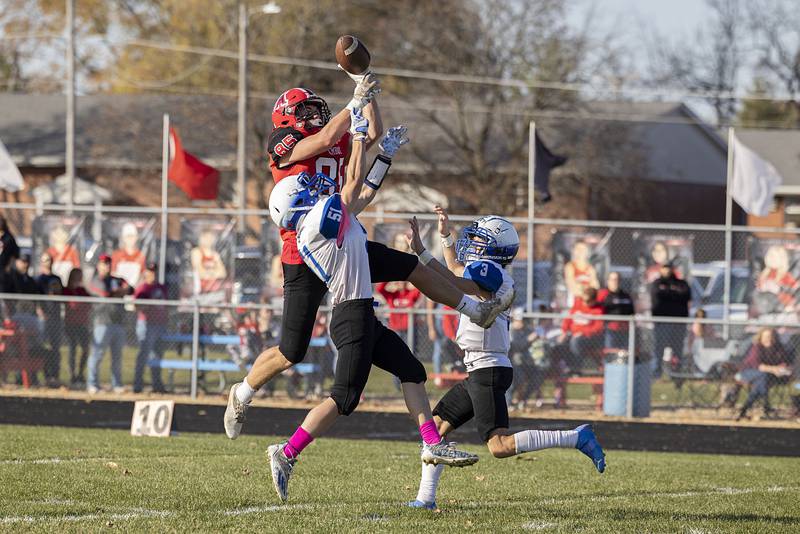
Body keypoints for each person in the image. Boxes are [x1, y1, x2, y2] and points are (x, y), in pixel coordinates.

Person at [224, 81, 508, 439]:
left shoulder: (333, 135)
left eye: (315, 109)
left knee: (411, 267)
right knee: (291, 350)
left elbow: (370, 132)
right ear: (285, 117)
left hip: (343, 240)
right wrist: (354, 102)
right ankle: (244, 391)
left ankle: (473, 309)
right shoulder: (283, 142)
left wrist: (365, 87)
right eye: (304, 111)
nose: (312, 115)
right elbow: (329, 139)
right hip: (304, 249)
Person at [264, 113, 481, 503]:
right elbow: (349, 189)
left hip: (359, 313)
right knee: (344, 399)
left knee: (411, 369)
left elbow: (362, 194)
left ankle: (431, 442)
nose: (312, 186)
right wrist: (361, 138)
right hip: (351, 317)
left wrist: (386, 156)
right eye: (304, 188)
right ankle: (287, 451)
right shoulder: (316, 225)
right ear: (297, 205)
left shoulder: (323, 218)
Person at [404, 206, 605, 510]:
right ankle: (425, 499)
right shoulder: (489, 271)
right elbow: (456, 270)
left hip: (489, 369)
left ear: (495, 248)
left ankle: (576, 438)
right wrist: (443, 237)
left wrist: (421, 256)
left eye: (479, 239)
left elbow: (451, 281)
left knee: (498, 446)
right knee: (436, 427)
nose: (473, 243)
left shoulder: (492, 273)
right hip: (481, 369)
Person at [86, 254, 133, 394]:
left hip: (118, 322)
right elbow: (105, 293)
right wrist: (120, 292)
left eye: (107, 263)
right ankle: (92, 384)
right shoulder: (95, 280)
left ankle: (116, 384)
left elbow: (130, 289)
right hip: (102, 322)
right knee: (97, 354)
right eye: (103, 263)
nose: (105, 266)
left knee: (117, 356)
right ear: (98, 265)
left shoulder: (116, 279)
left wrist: (118, 292)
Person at [736, 328, 793, 420]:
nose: (769, 339)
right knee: (763, 376)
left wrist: (782, 369)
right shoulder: (757, 347)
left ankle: (745, 409)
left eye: (771, 336)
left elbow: (784, 362)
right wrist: (774, 369)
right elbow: (759, 366)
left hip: (766, 376)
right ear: (760, 337)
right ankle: (766, 406)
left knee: (761, 381)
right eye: (766, 337)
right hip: (748, 372)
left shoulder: (778, 348)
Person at [650, 259, 691, 377]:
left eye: (668, 267)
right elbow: (658, 296)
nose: (666, 270)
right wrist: (674, 294)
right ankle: (657, 373)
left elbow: (686, 296)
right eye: (664, 267)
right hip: (662, 322)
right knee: (659, 348)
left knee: (677, 349)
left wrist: (668, 294)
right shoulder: (657, 283)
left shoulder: (681, 283)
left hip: (679, 322)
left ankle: (676, 374)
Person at [132, 263, 167, 394]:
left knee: (157, 355)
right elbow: (138, 306)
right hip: (146, 325)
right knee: (144, 355)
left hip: (160, 324)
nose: (152, 274)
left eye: (154, 271)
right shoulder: (143, 288)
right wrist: (149, 303)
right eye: (150, 271)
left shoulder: (161, 287)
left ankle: (157, 383)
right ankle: (137, 384)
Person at [36, 253, 64, 387]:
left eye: (50, 260)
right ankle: (43, 375)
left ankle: (54, 375)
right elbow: (35, 298)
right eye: (45, 260)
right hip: (44, 318)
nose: (48, 262)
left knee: (55, 348)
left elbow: (60, 294)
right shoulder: (39, 279)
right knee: (40, 346)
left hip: (56, 317)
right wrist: (40, 311)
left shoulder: (56, 278)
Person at [559, 286, 605, 370]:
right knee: (559, 343)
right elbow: (568, 320)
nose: (584, 302)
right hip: (573, 335)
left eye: (587, 301)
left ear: (594, 301)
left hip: (588, 338)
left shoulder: (598, 310)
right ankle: (562, 368)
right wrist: (564, 331)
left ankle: (576, 368)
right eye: (583, 300)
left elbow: (597, 328)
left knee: (576, 342)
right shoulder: (577, 305)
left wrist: (582, 333)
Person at [63, 268, 91, 386]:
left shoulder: (82, 290)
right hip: (70, 324)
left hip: (82, 324)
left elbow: (89, 303)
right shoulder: (66, 290)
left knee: (85, 348)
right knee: (72, 349)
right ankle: (72, 374)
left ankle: (80, 373)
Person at [597, 271, 634, 350]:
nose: (615, 282)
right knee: (611, 352)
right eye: (612, 280)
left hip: (625, 330)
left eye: (617, 279)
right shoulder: (603, 295)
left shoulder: (626, 296)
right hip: (610, 330)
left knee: (625, 352)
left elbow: (632, 312)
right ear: (608, 281)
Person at [190, 230, 227, 295]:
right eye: (206, 238)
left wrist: (209, 274)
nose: (209, 240)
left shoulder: (215, 254)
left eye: (210, 238)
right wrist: (213, 273)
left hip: (214, 288)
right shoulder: (196, 252)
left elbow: (222, 273)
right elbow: (199, 272)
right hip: (200, 287)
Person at [563, 241, 599, 307]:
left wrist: (583, 288)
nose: (580, 251)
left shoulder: (590, 268)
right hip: (574, 302)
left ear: (587, 251)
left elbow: (595, 286)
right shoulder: (570, 266)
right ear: (573, 251)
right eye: (578, 249)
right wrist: (586, 292)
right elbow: (572, 286)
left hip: (589, 302)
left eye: (583, 249)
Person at [111, 222, 146, 287]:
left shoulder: (140, 256)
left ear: (136, 237)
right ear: (124, 238)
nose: (130, 239)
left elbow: (142, 275)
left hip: (134, 291)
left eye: (132, 236)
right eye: (128, 236)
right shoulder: (116, 255)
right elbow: (113, 274)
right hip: (120, 291)